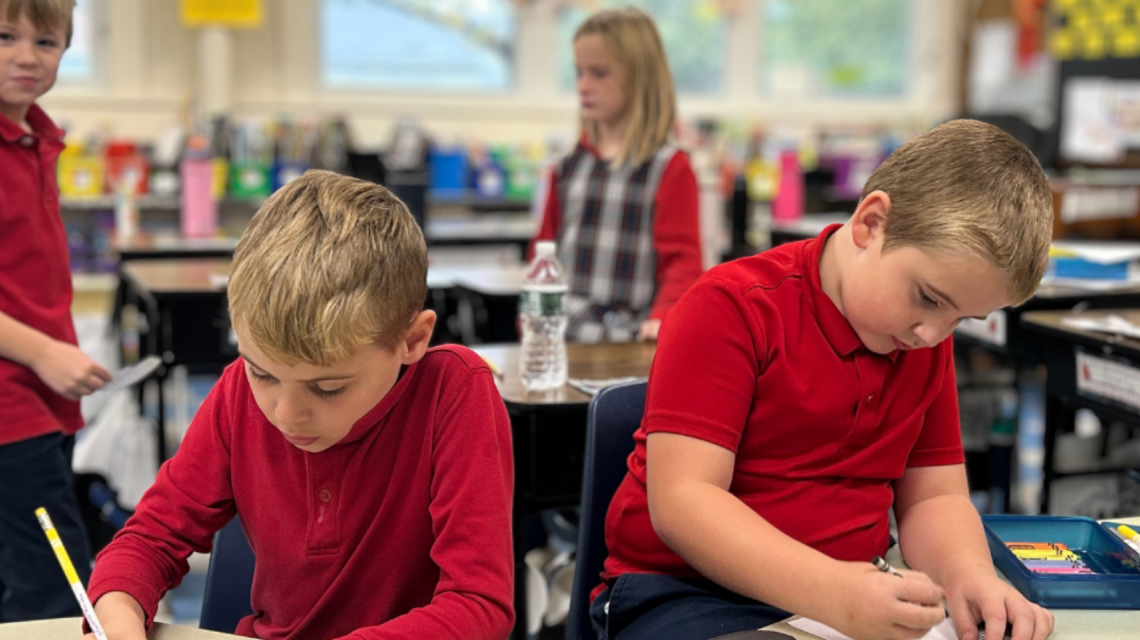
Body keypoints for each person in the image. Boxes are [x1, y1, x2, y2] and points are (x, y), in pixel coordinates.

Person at [593, 120, 1057, 640]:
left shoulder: (920, 337)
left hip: (843, 602)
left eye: (961, 320)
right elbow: (684, 503)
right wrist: (833, 591)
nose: (933, 334)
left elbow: (933, 499)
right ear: (871, 223)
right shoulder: (731, 308)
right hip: (685, 595)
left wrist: (970, 576)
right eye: (928, 298)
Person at [83, 171, 515, 640]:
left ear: (412, 340)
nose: (285, 413)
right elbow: (150, 539)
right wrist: (118, 613)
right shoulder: (236, 395)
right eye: (262, 373)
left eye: (328, 387)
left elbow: (478, 605)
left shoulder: (453, 393)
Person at [0, 0, 112, 622]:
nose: (25, 55)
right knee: (53, 592)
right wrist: (44, 352)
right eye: (4, 35)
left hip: (42, 405)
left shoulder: (34, 136)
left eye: (46, 42)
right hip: (10, 411)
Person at [533, 7, 702, 343]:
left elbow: (682, 263)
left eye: (599, 73)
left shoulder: (670, 167)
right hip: (563, 337)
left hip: (630, 338)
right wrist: (533, 319)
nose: (583, 86)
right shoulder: (567, 166)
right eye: (579, 72)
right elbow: (543, 253)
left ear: (640, 77)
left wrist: (663, 318)